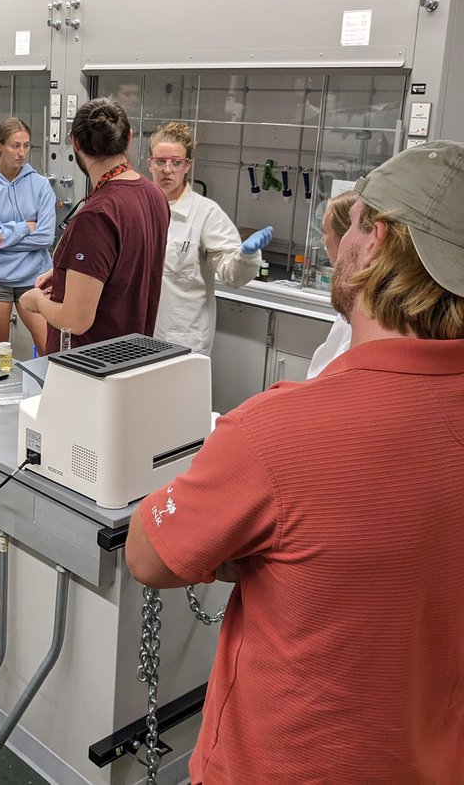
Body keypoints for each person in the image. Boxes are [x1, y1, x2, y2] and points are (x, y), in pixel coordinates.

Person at [126, 140, 464, 783]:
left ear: (376, 242)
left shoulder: (278, 431)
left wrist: (253, 550)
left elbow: (148, 554)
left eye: (353, 223)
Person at [18, 98, 169, 352]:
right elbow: (126, 268)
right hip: (133, 356)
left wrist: (36, 302)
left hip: (90, 363)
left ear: (75, 143)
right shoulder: (154, 195)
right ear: (129, 138)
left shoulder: (97, 216)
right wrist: (68, 274)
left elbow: (75, 321)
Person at [148, 122, 272, 356]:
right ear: (150, 164)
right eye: (160, 162)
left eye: (176, 162)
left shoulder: (205, 213)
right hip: (139, 334)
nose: (167, 169)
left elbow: (231, 274)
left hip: (182, 339)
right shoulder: (138, 208)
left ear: (187, 165)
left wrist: (245, 256)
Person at [0, 117, 56, 353]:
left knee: (50, 348)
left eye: (26, 145)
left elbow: (45, 237)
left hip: (34, 280)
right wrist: (24, 227)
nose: (22, 153)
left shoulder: (41, 186)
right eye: (15, 146)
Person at [305, 189, 360, 377]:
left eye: (325, 232)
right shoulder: (353, 295)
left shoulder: (359, 303)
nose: (323, 240)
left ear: (346, 238)